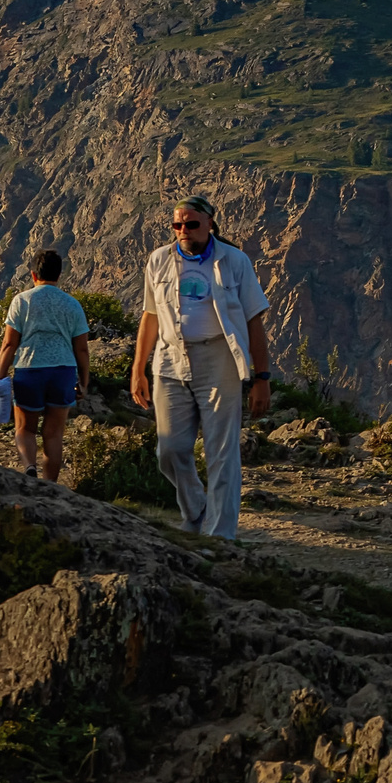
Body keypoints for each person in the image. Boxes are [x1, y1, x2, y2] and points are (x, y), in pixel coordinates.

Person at [130, 195, 272, 539]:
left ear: (210, 224)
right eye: (177, 225)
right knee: (170, 449)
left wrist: (261, 377)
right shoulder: (158, 260)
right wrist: (138, 368)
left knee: (221, 451)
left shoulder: (234, 261)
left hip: (218, 359)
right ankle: (197, 510)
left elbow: (254, 321)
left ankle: (220, 534)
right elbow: (150, 316)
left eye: (191, 224)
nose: (184, 231)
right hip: (170, 359)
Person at [0, 250, 89, 481]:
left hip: (29, 368)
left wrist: (0, 377)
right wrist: (84, 382)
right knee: (54, 434)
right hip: (63, 370)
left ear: (33, 274)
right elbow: (82, 349)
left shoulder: (22, 300)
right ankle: (50, 486)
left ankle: (29, 467)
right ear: (60, 274)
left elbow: (9, 343)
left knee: (25, 428)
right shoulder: (72, 305)